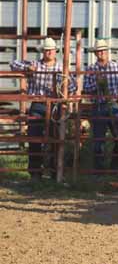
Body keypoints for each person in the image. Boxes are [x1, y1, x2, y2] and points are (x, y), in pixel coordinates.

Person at [10, 37, 76, 180]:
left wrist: (65, 90)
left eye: (51, 50)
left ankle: (54, 171)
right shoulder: (35, 64)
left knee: (55, 138)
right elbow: (13, 64)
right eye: (46, 50)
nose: (48, 53)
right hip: (38, 103)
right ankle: (35, 172)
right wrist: (28, 68)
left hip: (55, 105)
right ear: (43, 52)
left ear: (55, 51)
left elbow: (72, 85)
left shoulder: (61, 67)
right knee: (34, 138)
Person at [82, 39, 118, 172]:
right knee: (99, 139)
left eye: (103, 50)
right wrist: (96, 84)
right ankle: (99, 169)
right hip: (98, 105)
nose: (101, 53)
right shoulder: (91, 69)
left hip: (114, 104)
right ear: (95, 54)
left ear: (107, 52)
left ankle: (115, 167)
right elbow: (86, 88)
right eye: (99, 51)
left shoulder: (117, 67)